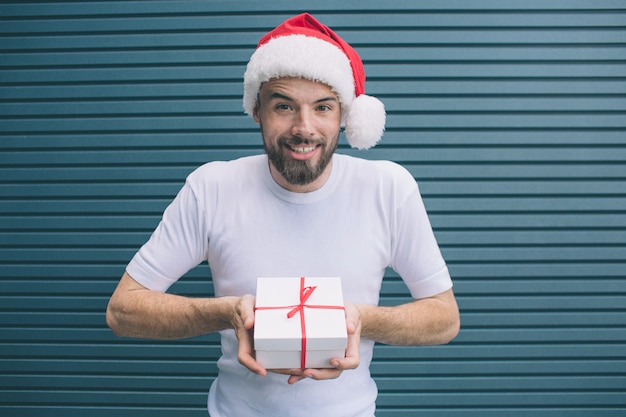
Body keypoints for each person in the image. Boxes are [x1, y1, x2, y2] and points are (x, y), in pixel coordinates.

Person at [106, 13, 460, 417]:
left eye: (323, 107)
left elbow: (444, 318)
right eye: (284, 106)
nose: (303, 128)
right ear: (256, 110)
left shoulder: (389, 188)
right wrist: (227, 313)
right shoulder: (211, 188)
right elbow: (123, 310)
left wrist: (359, 320)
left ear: (345, 116)